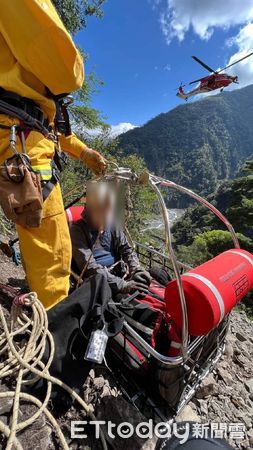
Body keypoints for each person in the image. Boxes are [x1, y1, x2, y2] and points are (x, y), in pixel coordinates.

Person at [0, 0, 106, 309]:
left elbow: (57, 131)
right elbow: (65, 71)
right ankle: (53, 342)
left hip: (19, 136)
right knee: (55, 257)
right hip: (22, 149)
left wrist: (85, 153)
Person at [70, 182, 152, 295]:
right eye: (100, 211)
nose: (104, 216)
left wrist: (136, 270)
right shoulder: (77, 230)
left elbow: (126, 249)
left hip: (119, 273)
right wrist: (122, 285)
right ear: (88, 209)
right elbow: (89, 267)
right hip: (97, 284)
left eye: (107, 212)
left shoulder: (111, 223)